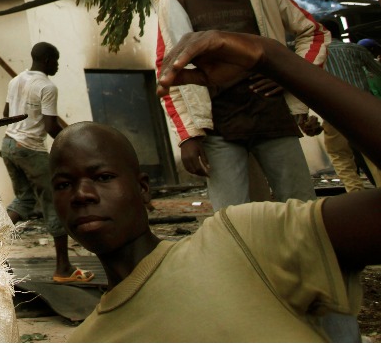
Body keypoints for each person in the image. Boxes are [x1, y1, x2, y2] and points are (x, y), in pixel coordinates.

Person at [50, 29, 380, 342]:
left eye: (103, 177)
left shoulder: (243, 238)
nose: (82, 195)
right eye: (64, 184)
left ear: (143, 188)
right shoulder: (86, 339)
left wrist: (271, 57)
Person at [150, 0, 329, 210]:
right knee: (232, 217)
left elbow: (314, 33)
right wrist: (187, 137)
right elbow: (167, 69)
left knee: (301, 209)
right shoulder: (175, 2)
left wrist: (288, 75)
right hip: (218, 126)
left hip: (272, 115)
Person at [1, 42, 90, 283]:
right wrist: (73, 143)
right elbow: (50, 126)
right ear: (48, 60)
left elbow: (7, 113)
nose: (58, 66)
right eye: (57, 61)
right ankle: (63, 269)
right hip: (30, 149)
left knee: (24, 199)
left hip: (9, 145)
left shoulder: (16, 81)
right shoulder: (47, 86)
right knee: (55, 203)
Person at [318, 21, 381, 191]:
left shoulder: (315, 54)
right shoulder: (355, 49)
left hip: (332, 111)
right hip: (361, 109)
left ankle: (355, 192)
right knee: (372, 151)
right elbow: (378, 71)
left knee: (339, 154)